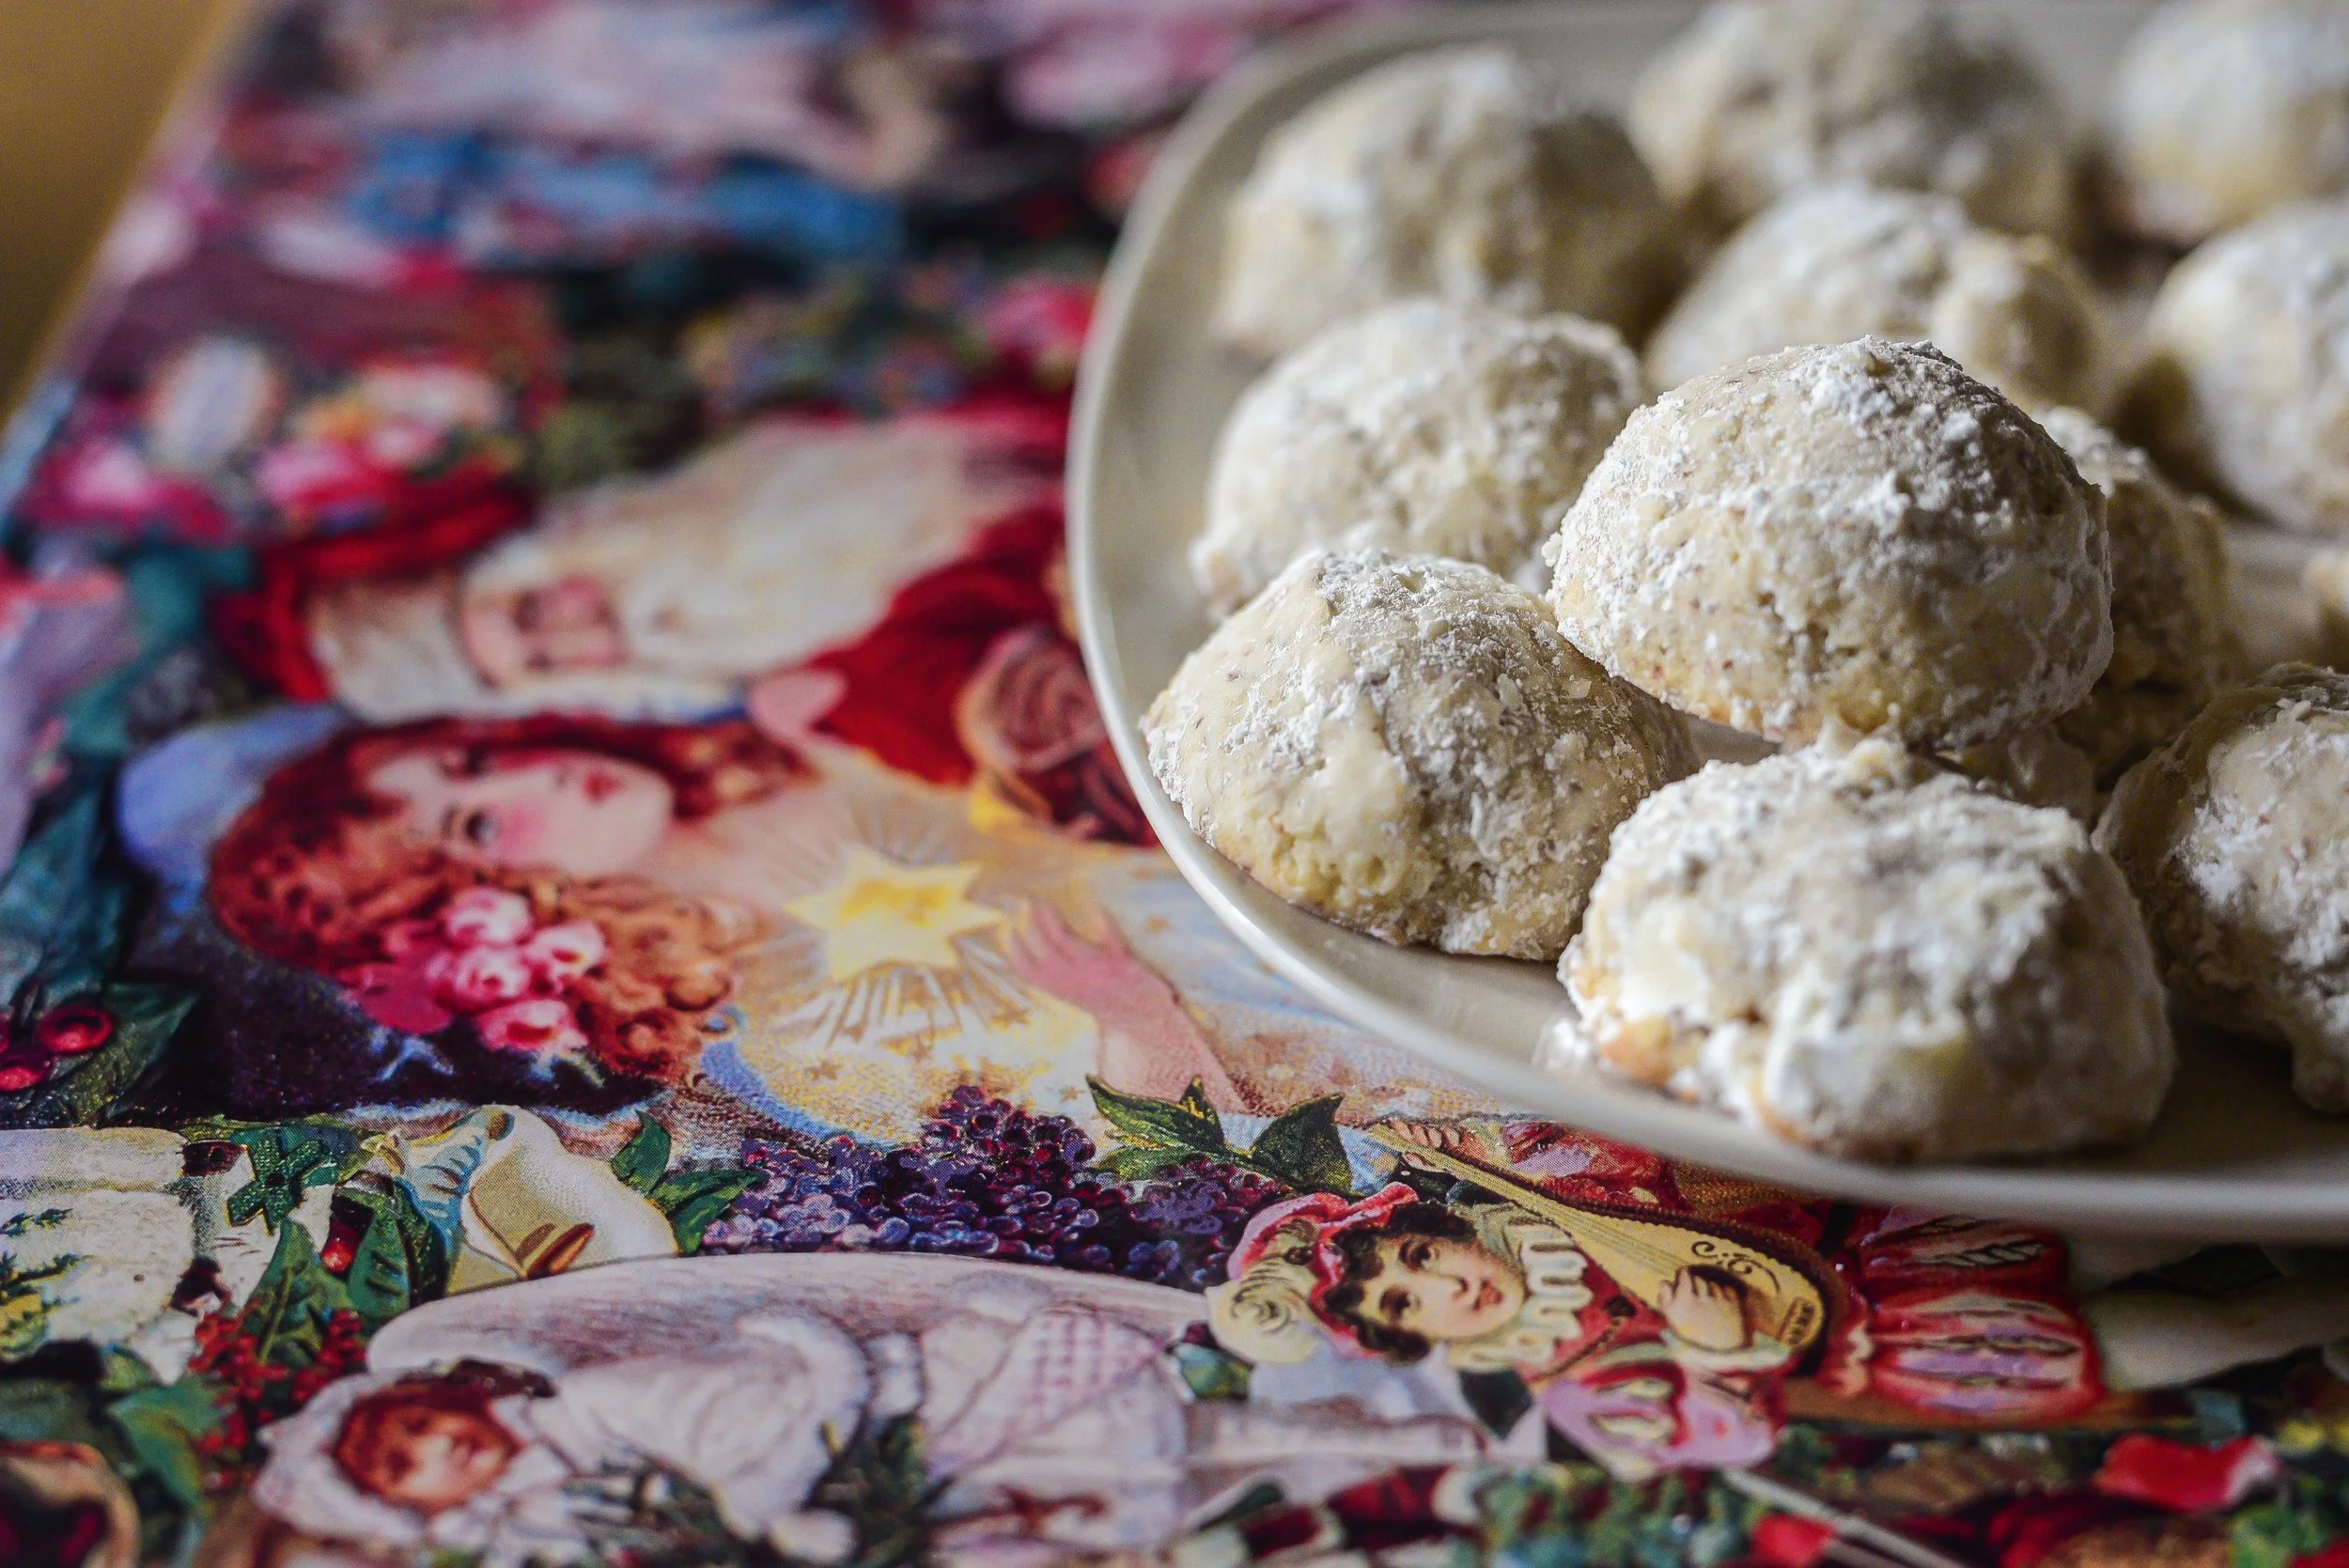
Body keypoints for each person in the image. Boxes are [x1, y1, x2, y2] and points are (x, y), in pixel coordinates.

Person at [203, 709, 1237, 1130]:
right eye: (479, 820)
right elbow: (1194, 1172)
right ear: (487, 922)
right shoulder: (791, 1030)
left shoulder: (786, 747)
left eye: (476, 759)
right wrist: (1137, 1019)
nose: (533, 772)